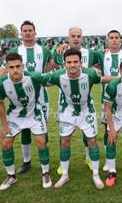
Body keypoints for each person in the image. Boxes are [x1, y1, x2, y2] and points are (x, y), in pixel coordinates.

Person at [44, 48, 114, 190]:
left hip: (86, 111)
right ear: (64, 63)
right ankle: (65, 174)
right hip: (67, 112)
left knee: (92, 141)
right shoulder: (58, 75)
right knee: (64, 142)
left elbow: (102, 79)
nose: (72, 65)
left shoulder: (90, 74)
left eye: (75, 62)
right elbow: (41, 80)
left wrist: (121, 78)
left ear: (81, 63)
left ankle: (95, 175)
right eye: (69, 62)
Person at [0, 20, 54, 174]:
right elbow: (2, 71)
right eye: (25, 31)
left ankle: (45, 163)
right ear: (21, 33)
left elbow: (49, 69)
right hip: (20, 98)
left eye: (30, 30)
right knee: (25, 130)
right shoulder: (14, 50)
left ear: (35, 32)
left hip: (41, 97)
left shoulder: (45, 50)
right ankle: (27, 161)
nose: (28, 33)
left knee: (42, 130)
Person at [0, 53, 51, 190]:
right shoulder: (1, 83)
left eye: (18, 66)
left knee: (41, 142)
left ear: (23, 66)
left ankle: (46, 172)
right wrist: (5, 125)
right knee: (6, 143)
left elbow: (54, 79)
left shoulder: (34, 77)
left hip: (34, 114)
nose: (15, 70)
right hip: (15, 115)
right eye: (11, 67)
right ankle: (11, 176)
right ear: (7, 68)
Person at [54, 27, 100, 174]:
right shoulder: (61, 51)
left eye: (78, 36)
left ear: (82, 38)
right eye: (73, 36)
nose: (75, 38)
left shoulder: (91, 53)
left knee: (88, 134)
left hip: (84, 98)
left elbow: (100, 65)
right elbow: (54, 66)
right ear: (68, 37)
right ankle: (63, 164)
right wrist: (57, 47)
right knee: (64, 135)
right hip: (65, 100)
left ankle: (88, 158)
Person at [95, 30, 122, 172]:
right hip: (107, 98)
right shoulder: (101, 54)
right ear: (107, 40)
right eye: (111, 38)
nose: (114, 40)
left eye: (116, 38)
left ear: (120, 40)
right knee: (108, 130)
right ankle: (109, 160)